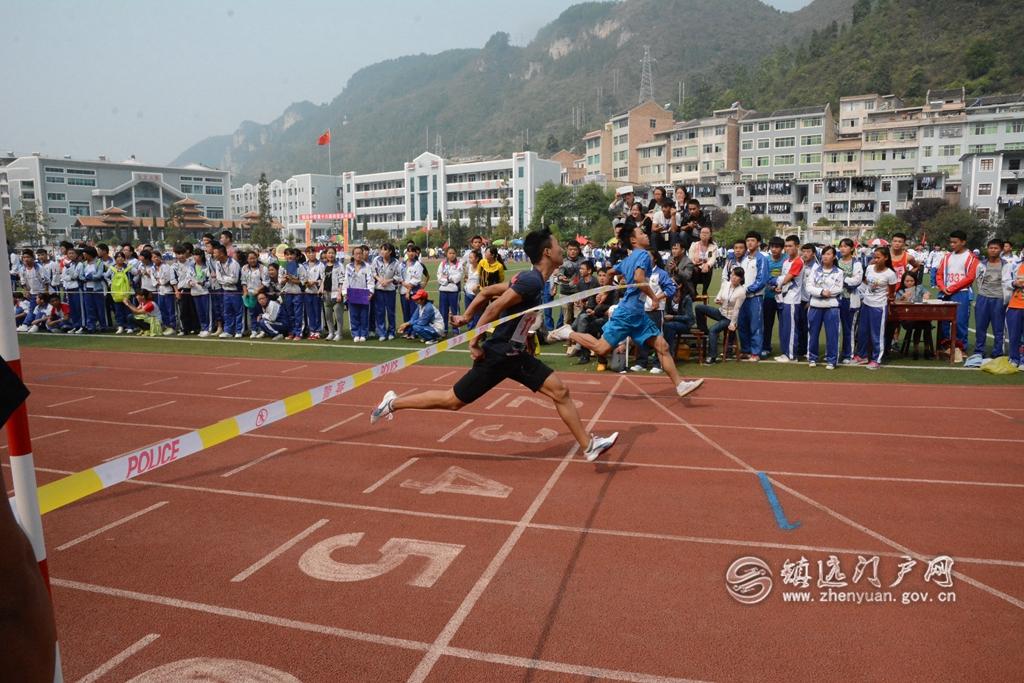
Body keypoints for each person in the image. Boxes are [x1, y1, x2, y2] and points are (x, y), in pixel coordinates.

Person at [371, 227, 619, 463]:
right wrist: (475, 341)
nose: (561, 248)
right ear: (546, 252)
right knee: (453, 401)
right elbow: (494, 306)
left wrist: (467, 316)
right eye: (556, 245)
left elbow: (488, 290)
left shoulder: (531, 279)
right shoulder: (531, 280)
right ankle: (392, 402)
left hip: (516, 355)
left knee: (560, 392)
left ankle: (588, 446)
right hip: (498, 354)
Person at [548, 224, 704, 398]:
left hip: (638, 314)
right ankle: (568, 332)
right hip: (628, 312)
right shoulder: (643, 255)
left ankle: (680, 385)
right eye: (642, 233)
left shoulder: (630, 259)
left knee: (663, 346)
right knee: (601, 349)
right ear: (633, 240)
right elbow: (638, 278)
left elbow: (611, 272)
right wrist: (653, 296)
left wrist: (605, 291)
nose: (646, 235)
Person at [935, 230, 979, 350]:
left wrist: (952, 288)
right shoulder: (947, 257)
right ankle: (945, 346)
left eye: (955, 242)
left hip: (962, 293)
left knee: (960, 322)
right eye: (951, 242)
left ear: (963, 242)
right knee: (944, 322)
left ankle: (960, 348)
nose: (952, 245)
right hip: (945, 293)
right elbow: (939, 275)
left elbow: (970, 277)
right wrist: (943, 287)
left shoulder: (971, 258)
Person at [695, 267, 746, 363]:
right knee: (699, 308)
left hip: (729, 318)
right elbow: (718, 296)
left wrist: (733, 323)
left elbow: (737, 309)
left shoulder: (741, 291)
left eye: (737, 276)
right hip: (720, 312)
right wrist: (717, 300)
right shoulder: (725, 284)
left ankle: (712, 356)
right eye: (733, 274)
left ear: (741, 279)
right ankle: (703, 330)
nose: (734, 277)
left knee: (713, 330)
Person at [859, 247, 898, 370]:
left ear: (886, 258)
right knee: (863, 332)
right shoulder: (869, 268)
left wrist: (887, 297)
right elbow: (866, 281)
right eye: (874, 257)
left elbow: (891, 292)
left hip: (879, 306)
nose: (875, 259)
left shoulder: (890, 274)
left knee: (877, 334)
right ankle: (863, 355)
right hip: (866, 303)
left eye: (878, 257)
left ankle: (876, 359)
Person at [805, 246, 843, 369]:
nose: (825, 256)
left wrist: (827, 293)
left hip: (831, 307)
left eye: (828, 254)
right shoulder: (815, 270)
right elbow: (809, 287)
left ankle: (832, 360)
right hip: (815, 305)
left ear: (834, 257)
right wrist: (821, 292)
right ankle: (812, 358)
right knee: (813, 333)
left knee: (832, 335)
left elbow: (838, 289)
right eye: (823, 254)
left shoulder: (839, 272)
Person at [973, 239, 1008, 358]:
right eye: (991, 248)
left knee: (998, 328)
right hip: (983, 298)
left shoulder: (1006, 265)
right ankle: (979, 351)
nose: (993, 250)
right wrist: (982, 293)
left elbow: (1008, 282)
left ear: (1001, 250)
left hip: (999, 299)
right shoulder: (981, 264)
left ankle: (997, 351)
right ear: (987, 249)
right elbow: (978, 281)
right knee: (980, 327)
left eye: (996, 248)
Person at [737, 231, 769, 362]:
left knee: (755, 325)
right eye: (748, 240)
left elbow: (762, 279)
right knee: (742, 324)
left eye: (752, 240)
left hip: (755, 297)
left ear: (758, 243)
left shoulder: (761, 259)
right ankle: (746, 350)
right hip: (742, 297)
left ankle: (756, 352)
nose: (749, 243)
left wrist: (748, 290)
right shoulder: (744, 258)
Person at [773, 235, 805, 363]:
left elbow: (788, 277)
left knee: (791, 328)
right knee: (785, 327)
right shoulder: (787, 262)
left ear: (797, 246)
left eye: (790, 246)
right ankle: (786, 352)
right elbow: (783, 277)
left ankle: (792, 355)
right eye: (786, 246)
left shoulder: (798, 261)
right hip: (784, 298)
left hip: (793, 299)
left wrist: (779, 285)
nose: (787, 248)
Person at [836, 238, 864, 365]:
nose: (842, 249)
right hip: (836, 299)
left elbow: (856, 281)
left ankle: (849, 354)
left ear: (852, 248)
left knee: (849, 329)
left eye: (845, 246)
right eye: (841, 246)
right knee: (836, 328)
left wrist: (841, 279)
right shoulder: (836, 262)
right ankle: (835, 353)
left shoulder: (856, 263)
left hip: (850, 300)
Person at [212, 243, 243, 338]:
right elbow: (219, 279)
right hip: (225, 291)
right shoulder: (217, 263)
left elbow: (234, 280)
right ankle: (228, 331)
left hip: (236, 291)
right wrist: (226, 279)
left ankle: (238, 331)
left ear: (221, 253)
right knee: (227, 312)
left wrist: (224, 279)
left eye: (215, 253)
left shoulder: (234, 264)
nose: (214, 255)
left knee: (238, 312)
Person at [761, 236, 786, 358]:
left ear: (782, 248)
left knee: (784, 324)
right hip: (769, 297)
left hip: (784, 297)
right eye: (772, 247)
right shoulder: (766, 260)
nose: (774, 249)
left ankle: (785, 349)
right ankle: (766, 347)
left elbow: (789, 276)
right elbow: (763, 277)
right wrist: (772, 287)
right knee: (767, 324)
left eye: (777, 247)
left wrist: (781, 286)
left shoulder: (787, 259)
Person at [344, 246, 374, 342]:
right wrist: (345, 293)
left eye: (360, 253)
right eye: (356, 253)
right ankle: (356, 334)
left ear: (362, 254)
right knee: (353, 315)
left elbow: (370, 280)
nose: (358, 255)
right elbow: (346, 281)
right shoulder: (348, 267)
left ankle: (364, 334)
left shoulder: (367, 266)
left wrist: (370, 292)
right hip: (352, 294)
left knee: (364, 315)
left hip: (364, 294)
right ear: (353, 255)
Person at [373, 243, 401, 341]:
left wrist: (388, 281)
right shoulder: (376, 260)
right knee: (380, 312)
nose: (383, 252)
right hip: (379, 289)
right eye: (382, 249)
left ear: (390, 252)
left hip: (390, 290)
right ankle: (382, 333)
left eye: (385, 250)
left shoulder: (396, 262)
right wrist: (380, 280)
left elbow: (398, 276)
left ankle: (391, 332)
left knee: (390, 312)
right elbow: (373, 272)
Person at [279, 248, 305, 341]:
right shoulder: (282, 267)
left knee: (298, 314)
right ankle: (291, 332)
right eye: (287, 254)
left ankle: (298, 333)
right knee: (290, 314)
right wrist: (285, 280)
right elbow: (280, 282)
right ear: (285, 256)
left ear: (295, 256)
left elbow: (302, 281)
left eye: (291, 254)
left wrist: (292, 279)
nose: (289, 256)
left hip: (297, 293)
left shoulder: (300, 267)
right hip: (287, 293)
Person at [437, 247, 463, 335]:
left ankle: (456, 328)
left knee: (455, 311)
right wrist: (448, 280)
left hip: (454, 291)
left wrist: (447, 279)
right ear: (446, 254)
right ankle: (444, 329)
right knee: (443, 311)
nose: (452, 255)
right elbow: (439, 277)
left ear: (456, 254)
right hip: (443, 290)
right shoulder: (442, 264)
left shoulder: (459, 264)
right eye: (450, 253)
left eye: (453, 253)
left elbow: (458, 277)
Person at [399, 246, 427, 324]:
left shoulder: (418, 265)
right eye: (409, 251)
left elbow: (417, 279)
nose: (411, 253)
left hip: (414, 293)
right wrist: (403, 283)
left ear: (416, 253)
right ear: (406, 253)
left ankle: (413, 332)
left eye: (413, 251)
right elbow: (399, 276)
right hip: (403, 292)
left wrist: (409, 289)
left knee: (414, 313)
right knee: (405, 312)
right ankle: (407, 331)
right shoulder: (402, 264)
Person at [688, 226, 717, 297]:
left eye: (707, 233)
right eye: (702, 232)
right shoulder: (694, 245)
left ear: (710, 235)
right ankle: (694, 290)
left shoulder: (713, 246)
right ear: (699, 234)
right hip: (696, 268)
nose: (704, 234)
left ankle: (704, 291)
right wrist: (694, 263)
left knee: (709, 269)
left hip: (705, 269)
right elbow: (690, 257)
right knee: (694, 269)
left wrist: (707, 265)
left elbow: (712, 258)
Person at [322, 247, 344, 342]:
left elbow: (342, 280)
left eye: (333, 253)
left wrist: (340, 293)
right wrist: (321, 290)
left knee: (338, 315)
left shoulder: (339, 266)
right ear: (326, 254)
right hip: (326, 293)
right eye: (329, 253)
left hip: (336, 293)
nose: (331, 255)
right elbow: (323, 279)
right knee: (328, 315)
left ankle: (339, 333)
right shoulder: (324, 266)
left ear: (335, 254)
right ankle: (331, 332)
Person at [302, 247, 324, 340]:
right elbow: (301, 278)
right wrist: (306, 283)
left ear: (316, 253)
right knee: (309, 313)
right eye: (309, 253)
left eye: (313, 252)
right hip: (307, 292)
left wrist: (315, 282)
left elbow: (323, 279)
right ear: (306, 254)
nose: (311, 254)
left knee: (317, 312)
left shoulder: (321, 265)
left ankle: (318, 331)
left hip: (317, 293)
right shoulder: (303, 265)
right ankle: (312, 330)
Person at [1006, 258, 1024, 369]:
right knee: (1014, 335)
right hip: (1015, 305)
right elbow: (1005, 282)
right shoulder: (1014, 265)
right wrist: (1014, 283)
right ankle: (1014, 358)